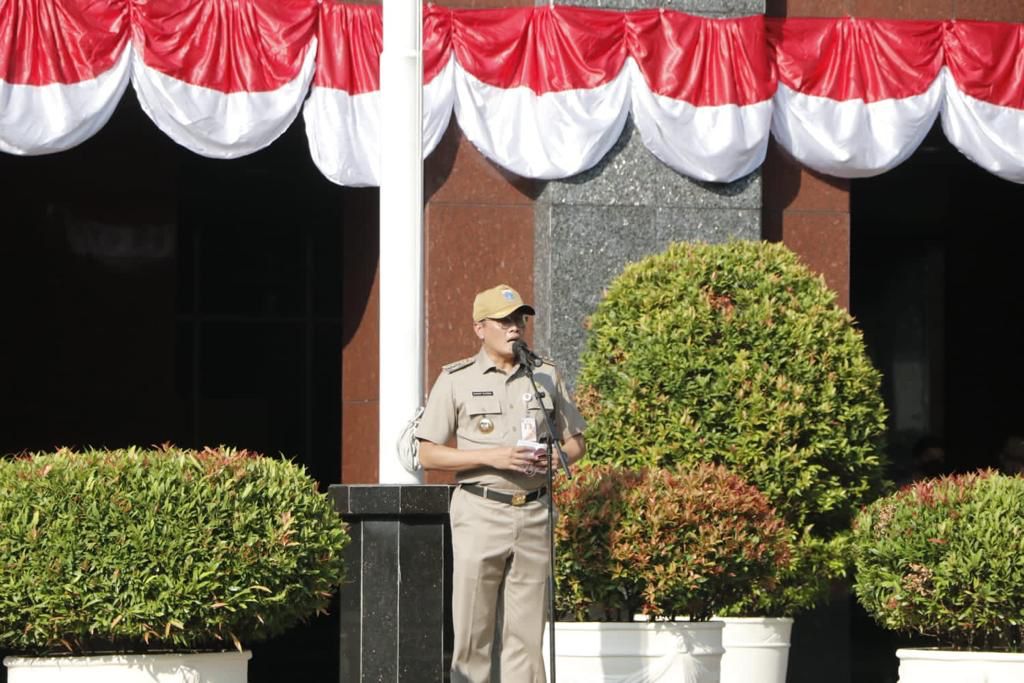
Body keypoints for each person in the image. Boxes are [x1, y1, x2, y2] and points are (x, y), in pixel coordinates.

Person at [415, 284, 586, 683]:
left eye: (519, 320)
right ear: (480, 328)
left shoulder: (544, 375)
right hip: (480, 511)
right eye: (504, 321)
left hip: (534, 512)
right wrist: (491, 457)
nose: (515, 328)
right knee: (473, 634)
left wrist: (557, 459)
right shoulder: (456, 379)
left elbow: (575, 442)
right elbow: (428, 454)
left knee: (527, 638)